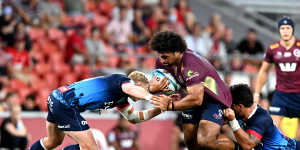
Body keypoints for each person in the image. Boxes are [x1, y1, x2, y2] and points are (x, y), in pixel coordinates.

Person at [29, 71, 161, 150]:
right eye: (146, 88)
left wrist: (160, 109)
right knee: (91, 148)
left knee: (53, 141)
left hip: (57, 97)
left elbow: (134, 118)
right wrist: (152, 97)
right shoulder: (123, 81)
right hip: (66, 103)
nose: (146, 91)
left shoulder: (122, 99)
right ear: (138, 84)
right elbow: (131, 89)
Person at [149, 31, 234, 150]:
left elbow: (197, 99)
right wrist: (153, 89)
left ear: (177, 52)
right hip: (191, 96)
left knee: (205, 140)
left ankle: (237, 148)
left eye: (165, 56)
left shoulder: (191, 64)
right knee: (189, 140)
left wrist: (169, 105)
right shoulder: (163, 61)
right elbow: (156, 86)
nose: (162, 60)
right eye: (160, 55)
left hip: (214, 99)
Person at [254, 17, 300, 140]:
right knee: (274, 127)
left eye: (288, 28)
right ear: (279, 30)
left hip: (298, 93)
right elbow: (263, 72)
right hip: (281, 94)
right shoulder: (273, 49)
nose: (285, 31)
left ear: (292, 30)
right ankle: (288, 145)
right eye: (282, 28)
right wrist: (257, 93)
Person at [224, 84, 300, 150]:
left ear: (239, 106)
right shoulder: (243, 112)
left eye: (232, 106)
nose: (230, 108)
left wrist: (233, 121)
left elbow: (248, 145)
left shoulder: (261, 119)